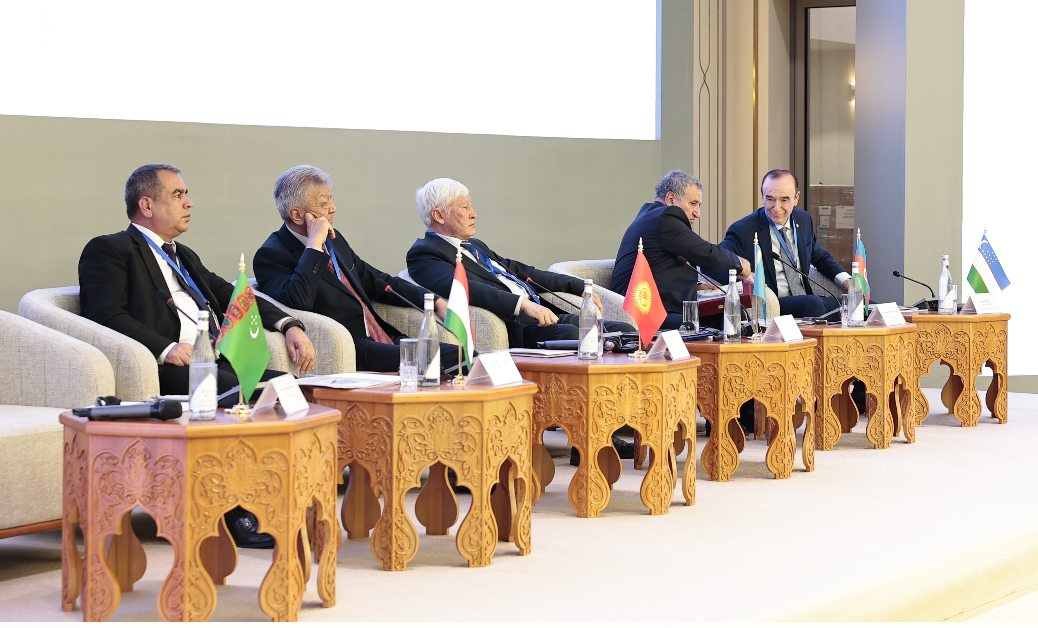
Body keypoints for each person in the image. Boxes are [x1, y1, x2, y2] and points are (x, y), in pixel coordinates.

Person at [79, 163, 316, 550]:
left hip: (212, 360)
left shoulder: (183, 255)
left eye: (186, 194)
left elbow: (235, 297)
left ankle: (280, 497)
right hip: (164, 368)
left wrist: (288, 323)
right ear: (146, 205)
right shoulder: (110, 250)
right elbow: (106, 315)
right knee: (232, 392)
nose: (189, 203)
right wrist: (166, 348)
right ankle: (235, 511)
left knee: (288, 387)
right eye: (177, 195)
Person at [253, 165, 459, 373]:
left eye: (331, 199)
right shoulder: (271, 255)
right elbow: (298, 300)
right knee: (436, 364)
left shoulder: (334, 239)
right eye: (324, 203)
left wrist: (434, 301)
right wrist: (314, 245)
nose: (333, 208)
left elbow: (377, 281)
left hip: (381, 337)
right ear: (297, 214)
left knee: (463, 357)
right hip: (350, 347)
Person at [406, 177, 629, 348]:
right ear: (439, 215)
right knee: (576, 336)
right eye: (464, 207)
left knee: (624, 331)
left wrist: (578, 286)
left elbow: (522, 271)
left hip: (544, 316)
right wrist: (522, 304)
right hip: (517, 326)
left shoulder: (475, 245)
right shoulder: (424, 254)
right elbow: (465, 289)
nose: (473, 214)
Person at [610, 170, 749, 329]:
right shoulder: (666, 217)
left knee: (729, 313)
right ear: (671, 199)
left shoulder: (651, 216)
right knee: (727, 318)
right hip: (642, 312)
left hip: (650, 306)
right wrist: (740, 264)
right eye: (693, 203)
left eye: (699, 205)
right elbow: (704, 253)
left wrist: (696, 286)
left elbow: (661, 268)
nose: (697, 213)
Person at [721, 169, 848, 320]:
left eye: (784, 200)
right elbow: (715, 263)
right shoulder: (744, 229)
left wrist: (847, 281)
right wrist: (743, 275)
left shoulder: (803, 220)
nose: (776, 208)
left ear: (796, 198)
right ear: (762, 196)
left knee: (861, 306)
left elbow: (820, 257)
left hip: (807, 299)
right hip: (775, 303)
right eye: (770, 199)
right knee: (814, 304)